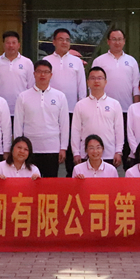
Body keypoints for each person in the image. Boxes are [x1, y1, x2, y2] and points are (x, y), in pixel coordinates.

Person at [14, 59, 69, 178]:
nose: (42, 75)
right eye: (39, 72)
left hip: (52, 147)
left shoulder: (60, 96)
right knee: (30, 182)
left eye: (46, 72)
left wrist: (63, 148)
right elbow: (18, 123)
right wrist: (18, 147)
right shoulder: (23, 96)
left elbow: (64, 124)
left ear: (51, 75)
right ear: (34, 74)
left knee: (50, 183)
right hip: (30, 148)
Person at [91, 28, 140, 161]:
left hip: (126, 109)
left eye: (119, 39)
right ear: (108, 41)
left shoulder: (131, 61)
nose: (117, 42)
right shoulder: (99, 61)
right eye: (114, 39)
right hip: (104, 110)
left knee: (126, 143)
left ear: (124, 41)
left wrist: (136, 108)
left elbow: (136, 86)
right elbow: (93, 84)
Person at [45, 29, 86, 176]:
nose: (64, 42)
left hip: (72, 111)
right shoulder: (47, 61)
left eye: (67, 40)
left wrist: (82, 108)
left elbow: (82, 87)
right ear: (54, 42)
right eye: (61, 39)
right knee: (53, 145)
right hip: (50, 112)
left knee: (70, 145)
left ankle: (71, 178)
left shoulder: (76, 62)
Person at [71, 67, 124, 167]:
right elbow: (76, 130)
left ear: (105, 82)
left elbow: (119, 130)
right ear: (88, 82)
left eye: (100, 78)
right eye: (93, 78)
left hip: (109, 154)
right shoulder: (80, 105)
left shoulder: (114, 104)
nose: (96, 81)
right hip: (86, 154)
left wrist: (118, 151)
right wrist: (76, 152)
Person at [0, 30, 35, 115]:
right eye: (8, 43)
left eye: (14, 43)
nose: (11, 45)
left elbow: (31, 86)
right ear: (3, 45)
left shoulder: (27, 62)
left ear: (18, 45)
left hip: (21, 108)